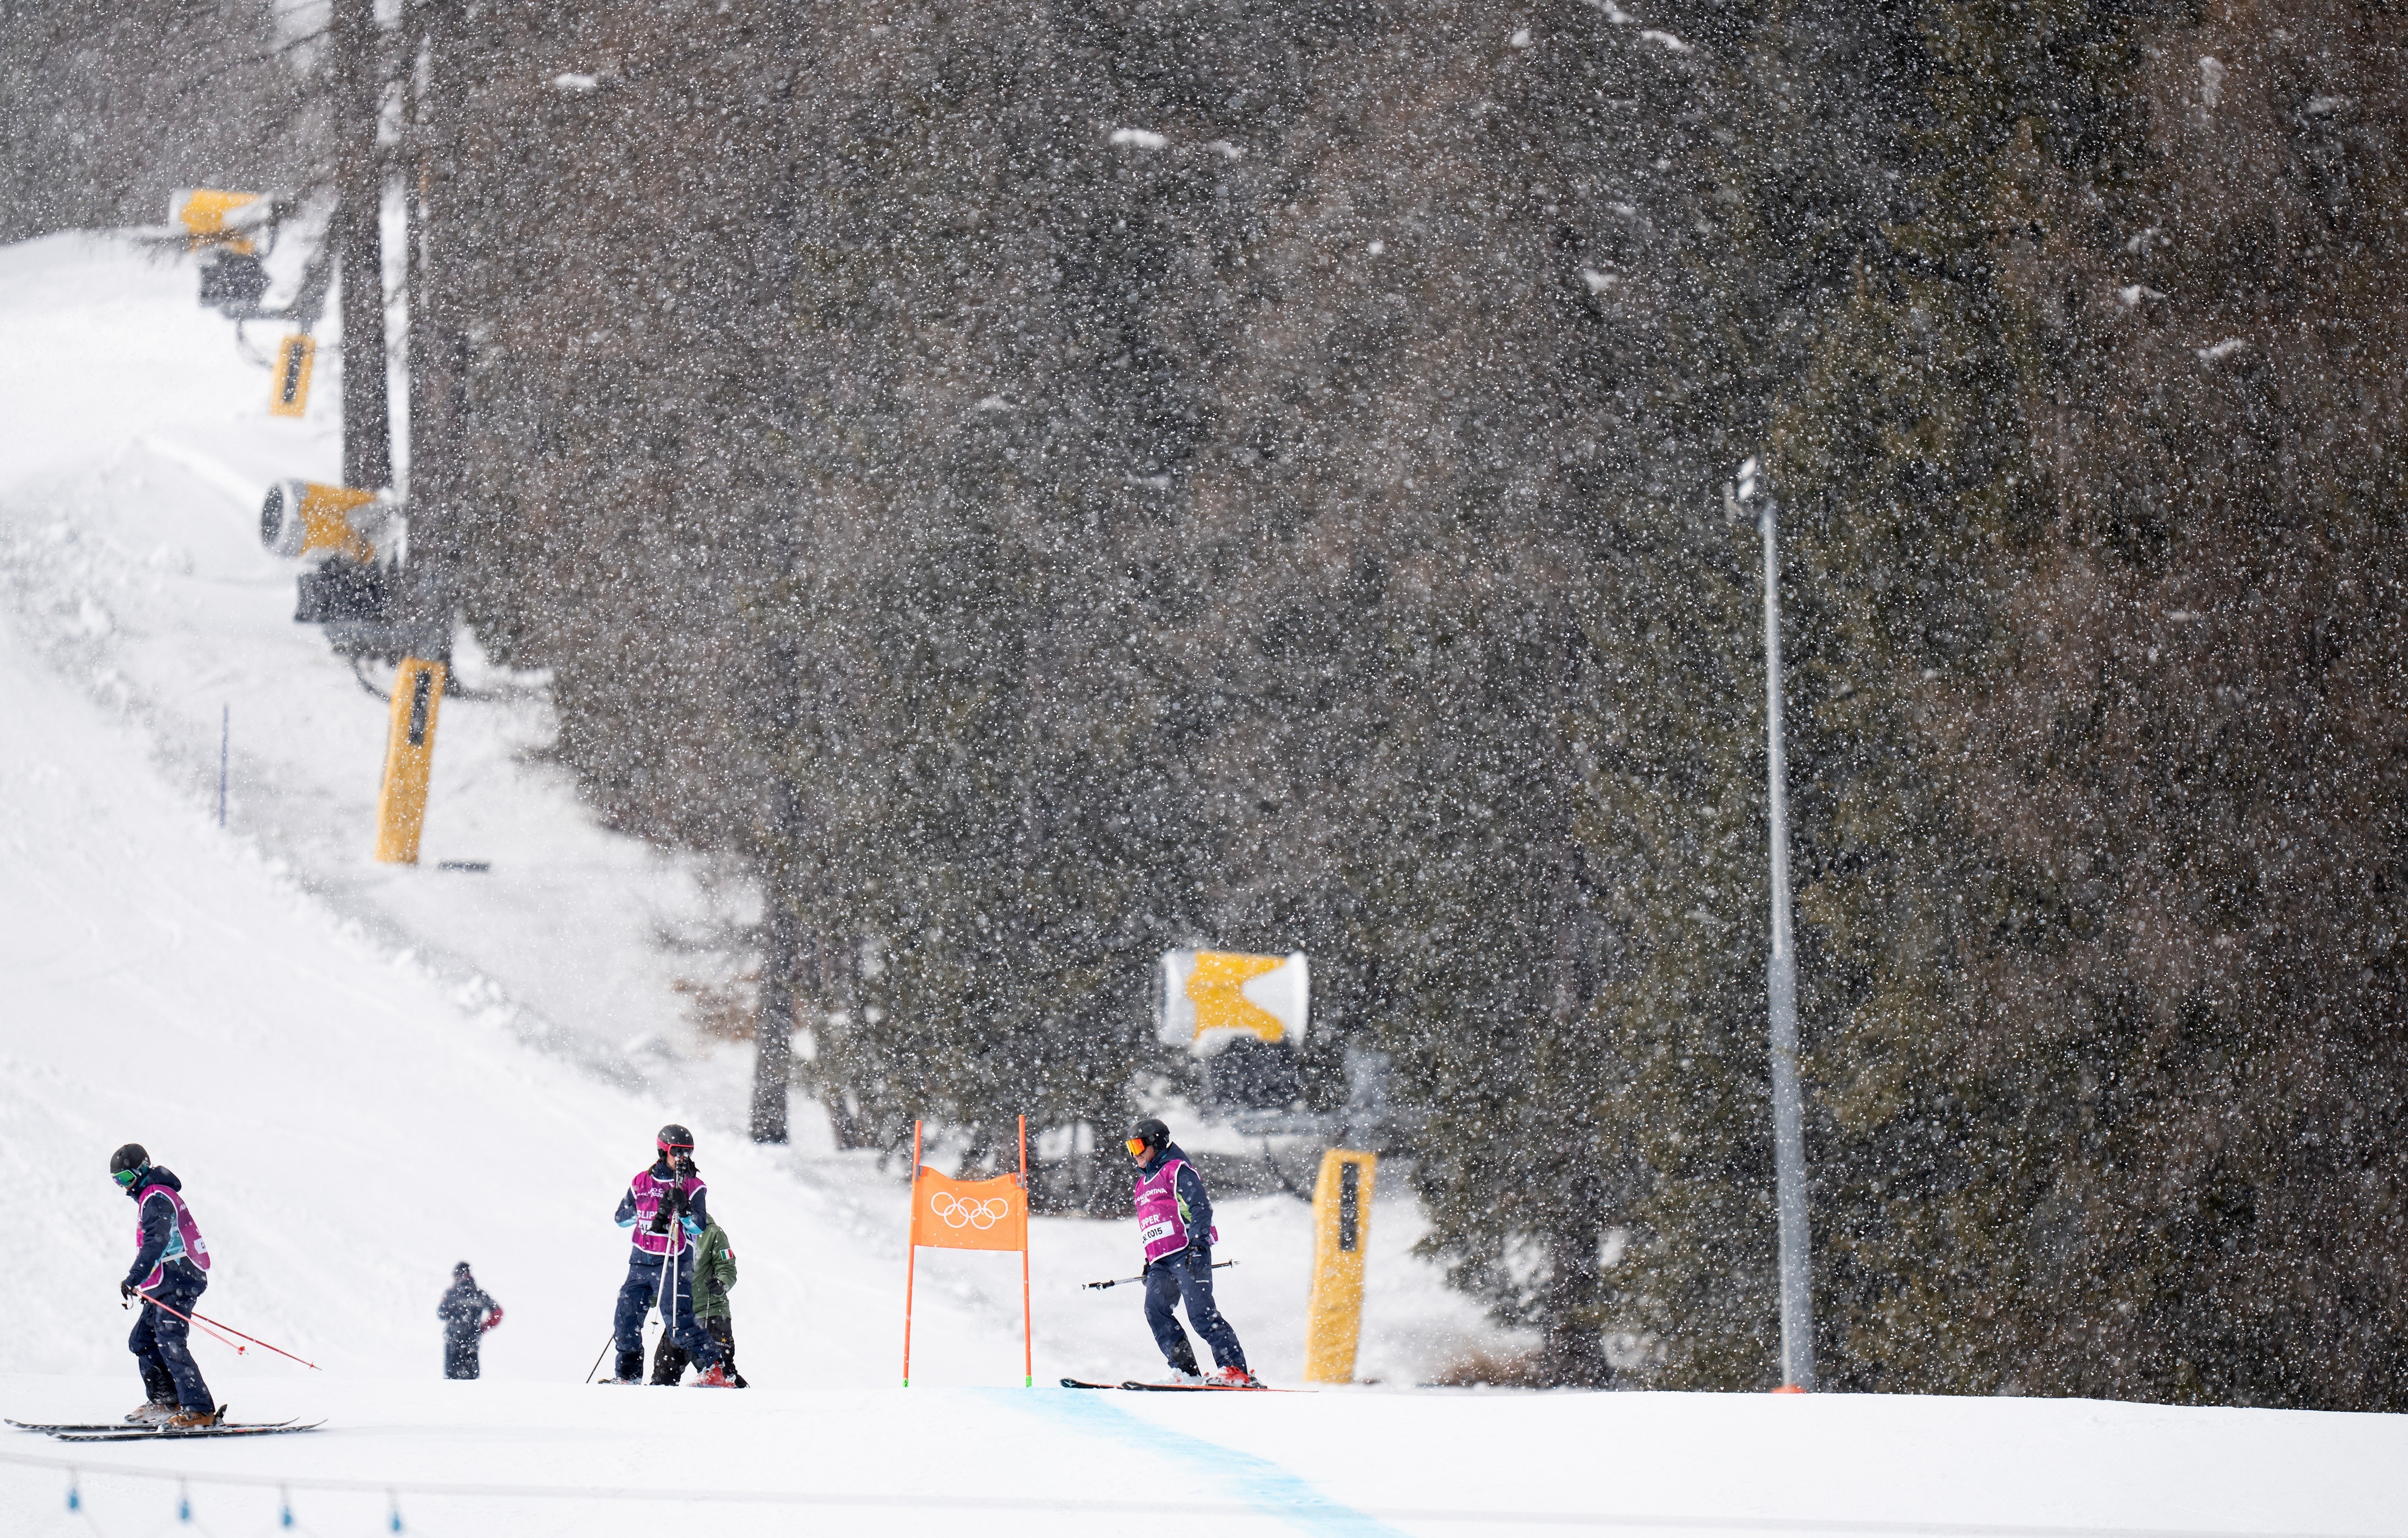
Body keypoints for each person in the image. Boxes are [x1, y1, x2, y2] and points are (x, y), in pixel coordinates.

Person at [1126, 1117, 1258, 1387]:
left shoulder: (1177, 1171)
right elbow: (1155, 1223)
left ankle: (1235, 1370)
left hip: (1187, 1253)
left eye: (1139, 1146)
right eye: (1130, 1148)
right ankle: (1184, 1370)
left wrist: (1198, 1245)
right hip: (1161, 1262)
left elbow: (1201, 1208)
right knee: (1155, 1311)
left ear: (1157, 1143)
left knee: (1201, 1315)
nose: (1135, 1154)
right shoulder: (1142, 1185)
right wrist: (1150, 1260)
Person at [608, 1124, 733, 1387]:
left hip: (674, 1260)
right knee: (625, 1317)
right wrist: (647, 1210)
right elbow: (621, 1218)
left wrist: (684, 1210)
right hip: (641, 1260)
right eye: (677, 1152)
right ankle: (627, 1375)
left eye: (688, 1152)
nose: (682, 1158)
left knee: (678, 1321)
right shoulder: (641, 1181)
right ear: (663, 1150)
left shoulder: (694, 1186)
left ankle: (714, 1368)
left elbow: (699, 1226)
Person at [111, 1144, 219, 1428]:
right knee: (143, 1340)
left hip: (179, 1278)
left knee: (170, 1340)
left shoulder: (156, 1196)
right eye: (117, 1181)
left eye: (125, 1178)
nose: (124, 1188)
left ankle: (200, 1410)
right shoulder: (152, 1195)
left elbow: (155, 1242)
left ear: (141, 1169)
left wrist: (134, 1277)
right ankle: (164, 1400)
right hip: (166, 1281)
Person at [654, 1214, 745, 1387]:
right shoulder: (671, 1234)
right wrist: (650, 1295)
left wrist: (722, 1283)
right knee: (664, 1373)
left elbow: (727, 1266)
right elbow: (662, 1269)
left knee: (720, 1370)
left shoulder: (712, 1233)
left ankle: (746, 1402)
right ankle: (656, 1403)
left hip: (711, 1312)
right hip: (679, 1315)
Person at [437, 1262, 503, 1379]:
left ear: (457, 1276)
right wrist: (483, 1327)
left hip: (453, 1339)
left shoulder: (451, 1294)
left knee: (452, 1376)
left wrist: (444, 1301)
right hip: (472, 1339)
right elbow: (498, 1313)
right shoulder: (480, 1294)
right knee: (471, 1375)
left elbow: (442, 1314)